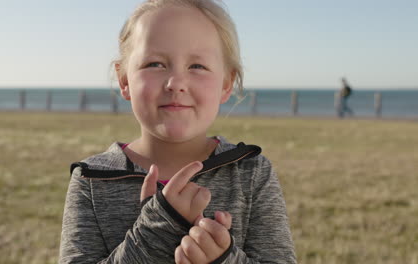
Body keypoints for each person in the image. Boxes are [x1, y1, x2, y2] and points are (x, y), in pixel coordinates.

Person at [59, 0, 296, 263]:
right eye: (155, 64)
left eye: (197, 66)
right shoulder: (92, 179)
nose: (176, 83)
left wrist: (222, 258)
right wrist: (156, 232)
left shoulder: (251, 172)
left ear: (226, 83)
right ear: (124, 79)